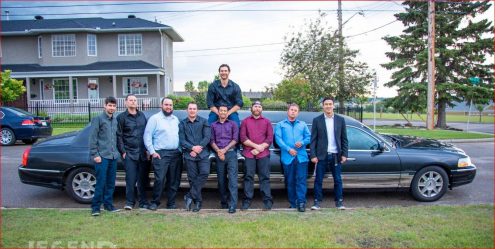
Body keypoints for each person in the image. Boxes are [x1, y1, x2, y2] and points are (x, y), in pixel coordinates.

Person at [310, 97, 348, 210]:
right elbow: (313, 140)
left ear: (333, 105)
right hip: (321, 155)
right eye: (326, 104)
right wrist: (313, 155)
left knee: (337, 180)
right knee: (318, 180)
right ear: (323, 106)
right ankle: (317, 202)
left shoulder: (340, 120)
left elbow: (344, 139)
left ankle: (339, 202)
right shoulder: (317, 120)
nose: (328, 106)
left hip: (336, 155)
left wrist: (344, 154)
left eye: (330, 104)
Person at [143, 97, 181, 210]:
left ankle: (171, 203)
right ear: (161, 106)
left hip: (175, 153)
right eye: (166, 105)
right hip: (160, 154)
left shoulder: (175, 119)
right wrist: (152, 152)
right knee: (160, 179)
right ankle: (155, 202)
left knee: (173, 180)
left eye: (170, 105)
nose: (168, 107)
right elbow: (147, 136)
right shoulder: (155, 119)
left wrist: (180, 150)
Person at [274, 103, 311, 212]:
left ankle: (301, 203)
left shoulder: (303, 124)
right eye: (291, 110)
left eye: (295, 110)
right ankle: (292, 203)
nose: (293, 111)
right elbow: (278, 139)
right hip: (287, 157)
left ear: (298, 112)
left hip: (301, 157)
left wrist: (303, 142)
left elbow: (309, 137)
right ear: (288, 111)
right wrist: (288, 149)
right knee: (289, 181)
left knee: (301, 180)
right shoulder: (280, 125)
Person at [116, 94, 150, 211]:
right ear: (126, 103)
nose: (133, 102)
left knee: (142, 179)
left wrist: (147, 150)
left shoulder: (142, 116)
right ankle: (130, 202)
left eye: (135, 100)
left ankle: (143, 202)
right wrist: (123, 151)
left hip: (142, 153)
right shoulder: (121, 117)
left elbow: (147, 134)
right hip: (129, 153)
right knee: (130, 179)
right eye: (130, 100)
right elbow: (119, 136)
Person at [89, 96, 120, 216]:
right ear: (105, 106)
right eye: (110, 105)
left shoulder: (115, 120)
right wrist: (95, 154)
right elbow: (93, 138)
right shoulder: (98, 119)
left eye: (113, 106)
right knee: (101, 182)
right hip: (101, 157)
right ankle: (96, 207)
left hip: (113, 157)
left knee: (111, 183)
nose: (112, 108)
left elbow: (115, 138)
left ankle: (108, 205)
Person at [240, 101, 274, 210]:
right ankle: (247, 201)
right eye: (255, 106)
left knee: (264, 177)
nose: (257, 108)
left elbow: (269, 138)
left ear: (261, 109)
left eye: (259, 107)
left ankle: (267, 201)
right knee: (248, 178)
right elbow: (243, 138)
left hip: (263, 154)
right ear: (251, 108)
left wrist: (260, 148)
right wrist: (256, 147)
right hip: (249, 154)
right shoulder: (245, 121)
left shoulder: (267, 122)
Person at [206, 64, 244, 159]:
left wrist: (227, 113)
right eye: (222, 71)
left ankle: (237, 150)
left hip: (230, 111)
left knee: (237, 125)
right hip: (216, 111)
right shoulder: (213, 86)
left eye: (225, 70)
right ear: (219, 72)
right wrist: (220, 113)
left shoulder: (235, 86)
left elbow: (239, 103)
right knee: (209, 126)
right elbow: (210, 103)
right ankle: (211, 151)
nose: (223, 72)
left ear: (229, 72)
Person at [179, 102, 211, 212]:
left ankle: (189, 195)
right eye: (190, 108)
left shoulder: (204, 121)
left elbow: (207, 137)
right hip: (189, 155)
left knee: (204, 173)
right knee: (192, 179)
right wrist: (192, 148)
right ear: (187, 110)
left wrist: (198, 148)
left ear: (197, 110)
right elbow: (182, 140)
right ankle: (198, 202)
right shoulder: (182, 124)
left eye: (194, 108)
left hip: (203, 154)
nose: (192, 110)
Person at [210, 105, 239, 214]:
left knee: (232, 180)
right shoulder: (213, 125)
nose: (222, 112)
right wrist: (219, 151)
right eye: (221, 110)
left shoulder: (233, 124)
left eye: (225, 111)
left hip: (231, 154)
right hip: (219, 155)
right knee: (221, 181)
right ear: (218, 112)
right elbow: (211, 140)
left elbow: (235, 139)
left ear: (227, 113)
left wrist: (224, 150)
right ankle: (224, 203)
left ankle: (232, 205)